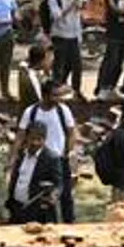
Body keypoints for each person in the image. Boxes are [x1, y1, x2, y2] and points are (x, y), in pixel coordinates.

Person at [17, 79, 77, 223]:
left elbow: (71, 133)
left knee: (65, 195)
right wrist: (13, 158)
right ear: (44, 95)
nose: (58, 99)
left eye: (59, 95)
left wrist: (69, 153)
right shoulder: (31, 112)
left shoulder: (63, 110)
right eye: (54, 95)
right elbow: (20, 135)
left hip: (59, 159)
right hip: (39, 162)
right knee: (40, 196)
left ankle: (70, 225)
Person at [6, 123, 63, 224]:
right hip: (17, 209)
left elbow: (58, 183)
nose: (35, 143)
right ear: (26, 138)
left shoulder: (51, 159)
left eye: (39, 139)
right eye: (32, 138)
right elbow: (16, 177)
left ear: (44, 139)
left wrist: (54, 195)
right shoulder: (21, 155)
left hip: (38, 213)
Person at [44, 0, 84, 99]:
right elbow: (57, 16)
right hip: (60, 35)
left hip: (74, 35)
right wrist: (71, 7)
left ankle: (76, 91)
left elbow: (77, 15)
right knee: (59, 65)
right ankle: (56, 89)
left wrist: (79, 7)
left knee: (76, 65)